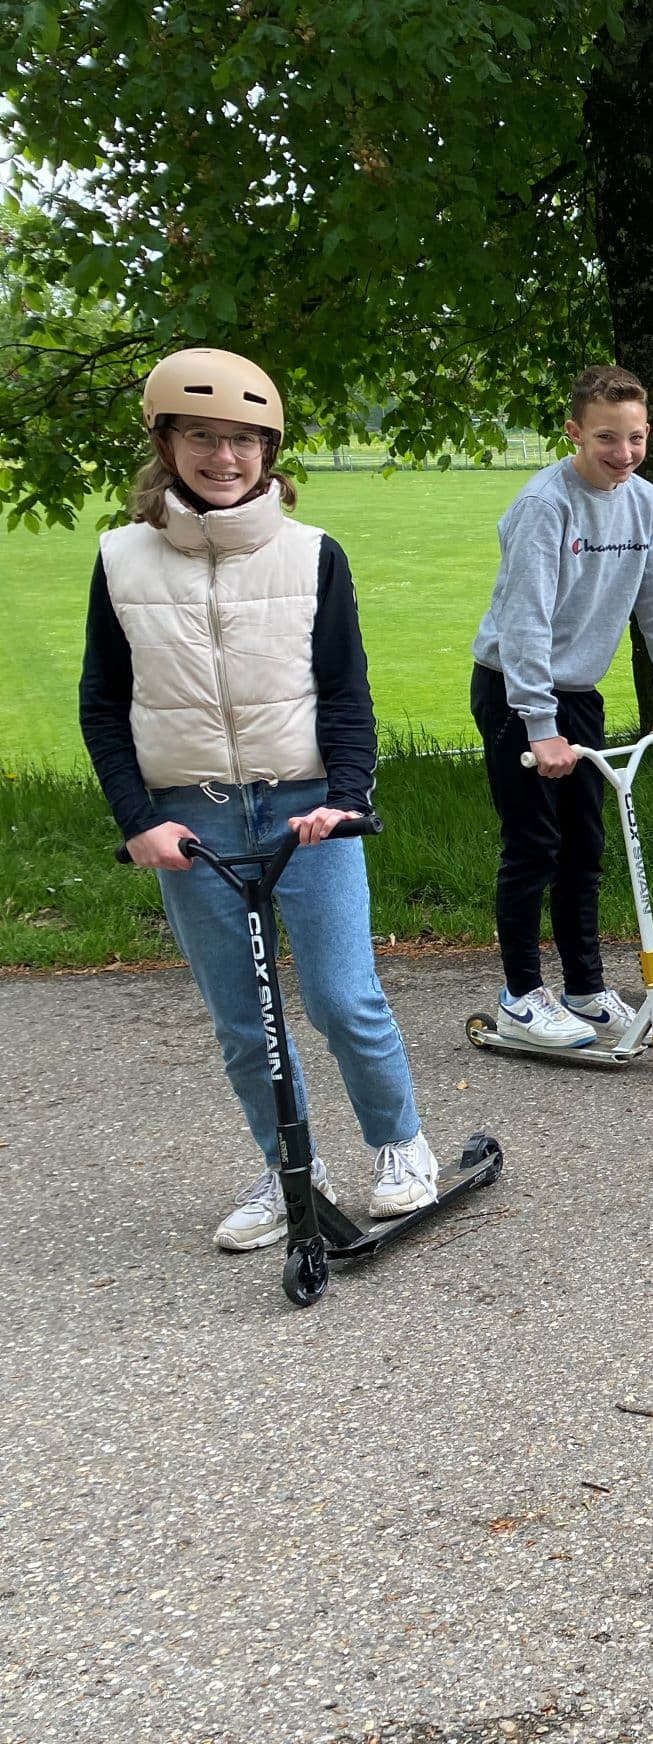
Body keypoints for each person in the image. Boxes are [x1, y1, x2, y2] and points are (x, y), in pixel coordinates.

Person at [79, 347, 442, 1249]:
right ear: (166, 443)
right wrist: (138, 821)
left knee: (339, 995)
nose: (224, 456)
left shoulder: (313, 554)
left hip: (305, 806)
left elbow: (348, 694)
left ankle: (402, 1147)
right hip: (188, 814)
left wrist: (348, 797)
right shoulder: (121, 559)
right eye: (201, 436)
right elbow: (102, 702)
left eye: (243, 439)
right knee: (244, 1017)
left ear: (269, 450)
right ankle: (292, 1169)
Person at [470, 364, 653, 1049]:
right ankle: (519, 994)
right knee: (534, 845)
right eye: (606, 438)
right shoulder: (547, 504)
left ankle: (582, 984)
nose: (623, 454)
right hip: (517, 689)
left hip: (579, 693)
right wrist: (539, 725)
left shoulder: (646, 502)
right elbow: (526, 620)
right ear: (575, 432)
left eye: (635, 438)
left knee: (585, 845)